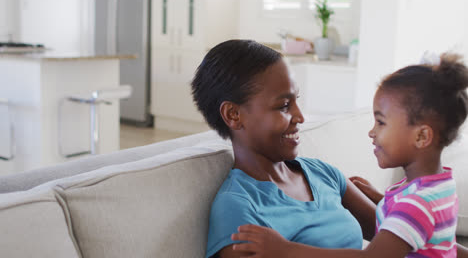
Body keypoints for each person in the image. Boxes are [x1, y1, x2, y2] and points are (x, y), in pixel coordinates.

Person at [232, 53, 468, 257]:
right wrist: (382, 200)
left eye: (381, 123)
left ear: (421, 137)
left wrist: (286, 251)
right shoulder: (438, 186)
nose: (372, 132)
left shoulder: (415, 205)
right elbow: (435, 239)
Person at [191, 39, 376, 258]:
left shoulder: (323, 174)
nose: (300, 116)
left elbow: (402, 235)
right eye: (284, 106)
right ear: (233, 115)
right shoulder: (237, 208)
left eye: (296, 100)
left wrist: (390, 198)